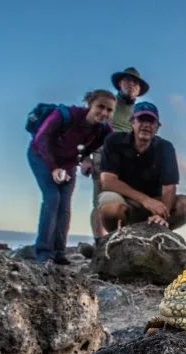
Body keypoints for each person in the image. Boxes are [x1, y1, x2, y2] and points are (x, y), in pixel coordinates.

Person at [28, 90, 115, 264]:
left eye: (109, 110)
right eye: (100, 106)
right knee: (52, 198)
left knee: (65, 205)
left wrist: (83, 160)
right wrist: (53, 168)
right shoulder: (65, 115)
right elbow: (41, 138)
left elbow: (100, 146)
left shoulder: (104, 130)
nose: (104, 113)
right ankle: (44, 252)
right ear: (90, 104)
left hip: (68, 164)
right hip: (42, 157)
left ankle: (59, 252)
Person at [96, 101, 186, 237]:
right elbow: (108, 181)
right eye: (141, 120)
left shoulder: (165, 147)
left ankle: (156, 231)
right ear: (132, 122)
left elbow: (169, 187)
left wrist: (162, 214)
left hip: (155, 204)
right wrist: (145, 200)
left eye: (151, 122)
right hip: (125, 200)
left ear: (157, 127)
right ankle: (118, 238)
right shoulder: (114, 141)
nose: (146, 125)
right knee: (111, 208)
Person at [82, 67, 150, 242]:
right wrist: (85, 157)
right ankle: (99, 241)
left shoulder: (139, 110)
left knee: (127, 201)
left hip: (130, 161)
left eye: (135, 83)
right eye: (127, 80)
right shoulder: (108, 104)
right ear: (120, 83)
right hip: (103, 155)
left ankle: (122, 240)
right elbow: (88, 129)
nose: (131, 85)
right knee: (100, 201)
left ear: (139, 89)